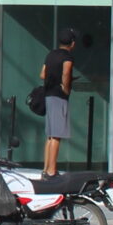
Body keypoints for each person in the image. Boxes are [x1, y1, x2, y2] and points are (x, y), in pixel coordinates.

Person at [39, 29, 81, 175]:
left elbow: (42, 74)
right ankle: (52, 170)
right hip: (59, 96)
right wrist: (66, 87)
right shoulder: (67, 57)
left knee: (50, 135)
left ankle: (45, 168)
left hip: (48, 94)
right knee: (57, 135)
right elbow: (66, 72)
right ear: (73, 43)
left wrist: (52, 78)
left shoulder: (51, 54)